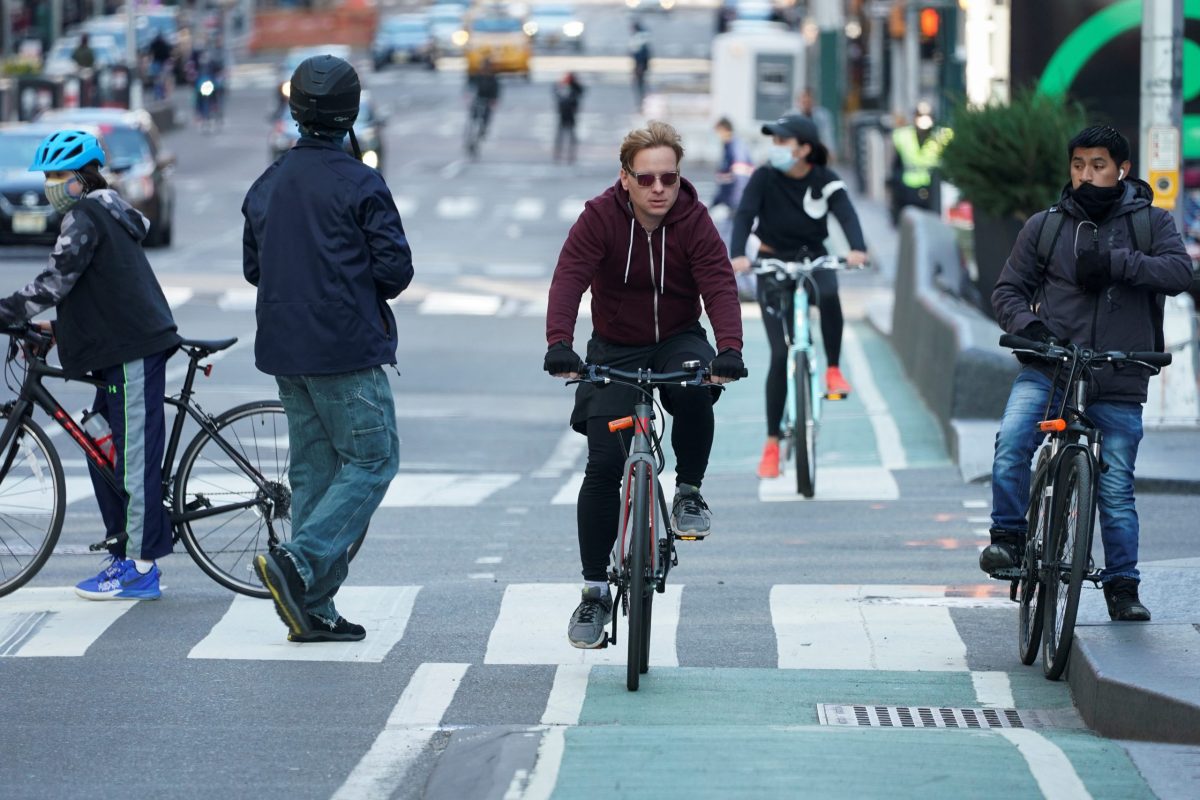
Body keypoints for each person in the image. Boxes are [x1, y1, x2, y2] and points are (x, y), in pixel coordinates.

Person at [543, 121, 745, 649]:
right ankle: (593, 593)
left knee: (696, 389)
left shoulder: (694, 221)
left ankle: (689, 493)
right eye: (647, 178)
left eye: (670, 178)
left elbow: (720, 283)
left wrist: (729, 350)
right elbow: (569, 277)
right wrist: (559, 342)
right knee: (603, 465)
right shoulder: (599, 218)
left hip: (678, 338)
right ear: (626, 178)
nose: (659, 189)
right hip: (613, 346)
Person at [981, 126, 1192, 621]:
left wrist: (1117, 262)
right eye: (1078, 165)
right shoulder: (1046, 226)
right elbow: (1007, 290)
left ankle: (1122, 585)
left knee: (1115, 487)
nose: (1086, 175)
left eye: (1097, 165)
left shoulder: (1152, 224)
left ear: (1122, 169)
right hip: (1051, 368)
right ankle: (1008, 539)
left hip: (1118, 374)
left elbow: (1180, 274)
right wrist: (1033, 330)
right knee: (1012, 439)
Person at [243, 55, 413, 643]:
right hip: (346, 346)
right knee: (373, 460)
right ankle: (300, 561)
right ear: (352, 110)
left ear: (294, 112)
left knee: (314, 471)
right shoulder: (361, 181)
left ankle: (312, 609)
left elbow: (252, 268)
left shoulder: (267, 184)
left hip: (286, 349)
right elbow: (396, 269)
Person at [0, 130, 181, 600]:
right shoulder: (100, 213)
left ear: (80, 179)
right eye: (47, 176)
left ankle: (141, 569)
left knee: (135, 457)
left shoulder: (85, 216)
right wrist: (54, 331)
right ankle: (124, 550)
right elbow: (101, 293)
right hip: (117, 348)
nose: (50, 185)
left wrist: (6, 312)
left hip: (133, 350)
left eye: (58, 176)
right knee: (103, 445)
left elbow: (54, 282)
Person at [729, 114, 869, 479]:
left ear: (805, 148)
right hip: (771, 262)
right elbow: (744, 215)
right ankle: (773, 442)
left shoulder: (825, 179)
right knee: (779, 353)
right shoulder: (764, 176)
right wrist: (738, 255)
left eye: (783, 142)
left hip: (812, 257)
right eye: (773, 142)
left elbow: (847, 214)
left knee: (830, 291)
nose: (775, 148)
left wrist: (857, 248)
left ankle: (834, 369)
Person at [889, 101, 952, 224]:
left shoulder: (942, 135)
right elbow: (896, 164)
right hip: (908, 189)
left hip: (933, 189)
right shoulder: (903, 135)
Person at [790, 88, 835, 162]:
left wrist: (830, 151)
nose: (807, 103)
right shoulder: (791, 116)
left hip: (817, 151)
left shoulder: (822, 115)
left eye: (809, 101)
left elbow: (827, 134)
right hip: (798, 151)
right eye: (804, 101)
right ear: (798, 101)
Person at [466, 56, 501, 151]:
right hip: (478, 99)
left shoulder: (493, 78)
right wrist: (468, 96)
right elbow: (470, 86)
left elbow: (496, 91)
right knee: (472, 119)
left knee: (486, 117)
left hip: (487, 100)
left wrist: (494, 100)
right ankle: (469, 138)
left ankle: (483, 131)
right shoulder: (477, 76)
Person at [553, 71, 585, 164]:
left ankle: (571, 154)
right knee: (560, 136)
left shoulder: (574, 89)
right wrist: (561, 83)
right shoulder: (561, 89)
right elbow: (555, 91)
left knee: (571, 137)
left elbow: (581, 91)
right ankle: (558, 153)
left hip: (571, 116)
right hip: (562, 116)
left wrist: (574, 83)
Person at [629, 21, 651, 109]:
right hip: (640, 63)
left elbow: (640, 53)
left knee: (640, 82)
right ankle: (641, 98)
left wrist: (640, 65)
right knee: (640, 82)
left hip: (640, 64)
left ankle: (642, 99)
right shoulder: (641, 37)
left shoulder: (638, 38)